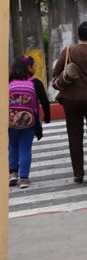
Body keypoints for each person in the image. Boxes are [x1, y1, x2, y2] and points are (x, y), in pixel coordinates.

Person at [50, 20, 87, 183]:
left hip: (71, 98)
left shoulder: (69, 50)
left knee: (74, 133)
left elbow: (56, 73)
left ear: (78, 35)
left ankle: (78, 173)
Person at [8, 55, 51, 188]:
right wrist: (47, 117)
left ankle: (13, 173)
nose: (35, 68)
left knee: (12, 146)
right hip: (29, 123)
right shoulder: (35, 83)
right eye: (34, 66)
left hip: (11, 123)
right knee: (25, 148)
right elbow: (45, 102)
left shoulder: (8, 82)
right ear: (28, 68)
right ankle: (24, 178)